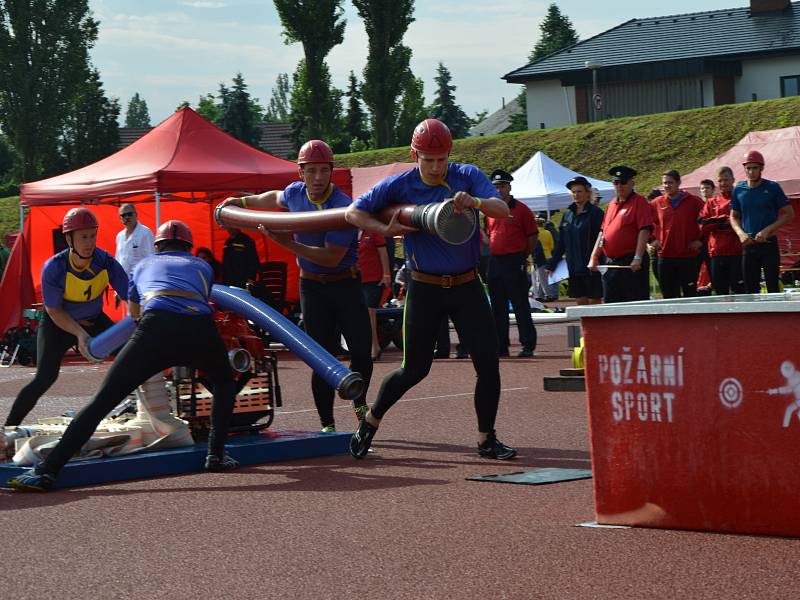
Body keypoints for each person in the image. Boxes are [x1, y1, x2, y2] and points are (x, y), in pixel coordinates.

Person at [8, 220, 239, 491]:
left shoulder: (143, 265)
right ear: (189, 247)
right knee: (224, 382)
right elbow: (202, 294)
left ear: (157, 247)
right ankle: (216, 454)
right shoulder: (203, 266)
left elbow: (134, 314)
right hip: (200, 328)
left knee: (102, 401)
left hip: (155, 327)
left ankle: (47, 471)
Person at [344, 118, 516, 461]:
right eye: (428, 159)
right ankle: (371, 421)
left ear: (450, 153)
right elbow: (353, 213)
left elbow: (504, 210)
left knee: (487, 361)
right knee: (415, 368)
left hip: (467, 285)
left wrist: (476, 203)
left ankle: (486, 439)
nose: (436, 167)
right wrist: (385, 228)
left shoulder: (467, 175)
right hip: (425, 288)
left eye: (441, 159)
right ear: (414, 154)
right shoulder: (400, 184)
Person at [220, 139, 372, 432]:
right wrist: (241, 202)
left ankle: (360, 406)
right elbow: (275, 197)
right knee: (321, 355)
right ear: (301, 173)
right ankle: (327, 424)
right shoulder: (295, 193)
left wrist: (285, 242)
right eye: (310, 171)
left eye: (323, 171)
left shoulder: (343, 207)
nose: (317, 178)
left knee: (362, 352)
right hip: (312, 288)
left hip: (345, 284)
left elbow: (330, 257)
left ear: (331, 172)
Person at [3, 208, 128, 427]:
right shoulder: (54, 267)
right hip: (57, 326)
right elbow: (54, 311)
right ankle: (9, 427)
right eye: (83, 237)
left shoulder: (106, 262)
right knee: (45, 378)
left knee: (132, 356)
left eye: (92, 236)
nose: (89, 242)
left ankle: (141, 412)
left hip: (95, 321)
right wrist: (80, 335)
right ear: (69, 238)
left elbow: (131, 295)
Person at [485, 168, 538, 358]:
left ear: (509, 187)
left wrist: (522, 254)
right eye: (496, 186)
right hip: (495, 261)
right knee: (497, 306)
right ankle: (501, 345)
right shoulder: (490, 210)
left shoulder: (521, 209)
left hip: (515, 260)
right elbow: (487, 233)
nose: (499, 190)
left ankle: (527, 344)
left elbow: (532, 236)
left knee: (520, 304)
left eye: (502, 186)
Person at [730, 150, 795, 293]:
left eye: (755, 168)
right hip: (749, 245)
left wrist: (767, 230)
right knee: (750, 289)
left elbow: (789, 214)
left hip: (768, 244)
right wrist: (740, 233)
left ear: (762, 168)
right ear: (744, 169)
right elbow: (734, 216)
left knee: (772, 287)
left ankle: (775, 315)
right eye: (748, 168)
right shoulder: (738, 189)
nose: (751, 171)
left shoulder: (772, 187)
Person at [588, 166, 654, 303]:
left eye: (623, 182)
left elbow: (644, 230)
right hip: (611, 262)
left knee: (634, 302)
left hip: (630, 261)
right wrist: (594, 256)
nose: (619, 186)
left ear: (632, 183)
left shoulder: (639, 202)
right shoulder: (611, 204)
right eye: (616, 183)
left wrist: (638, 257)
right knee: (611, 302)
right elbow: (603, 232)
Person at [545, 176, 604, 305]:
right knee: (580, 299)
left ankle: (597, 325)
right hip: (574, 266)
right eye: (574, 192)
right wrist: (552, 263)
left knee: (594, 299)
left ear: (588, 193)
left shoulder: (596, 213)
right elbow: (561, 242)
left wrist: (598, 259)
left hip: (591, 267)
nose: (576, 195)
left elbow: (602, 238)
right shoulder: (567, 215)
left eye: (579, 191)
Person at [648, 170, 705, 298]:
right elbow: (646, 223)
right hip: (665, 257)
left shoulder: (694, 202)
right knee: (669, 296)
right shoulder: (656, 203)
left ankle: (690, 318)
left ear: (679, 182)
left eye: (670, 182)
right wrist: (652, 240)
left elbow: (706, 222)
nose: (667, 186)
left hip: (688, 257)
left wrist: (700, 241)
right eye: (664, 183)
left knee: (690, 295)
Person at [698, 166, 745, 295]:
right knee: (720, 292)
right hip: (716, 252)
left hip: (737, 251)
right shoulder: (711, 202)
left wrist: (716, 223)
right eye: (720, 181)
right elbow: (702, 225)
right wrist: (724, 220)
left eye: (726, 180)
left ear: (733, 180)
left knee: (740, 290)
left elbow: (743, 223)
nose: (723, 183)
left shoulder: (741, 198)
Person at [358, 229, 392, 360]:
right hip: (355, 278)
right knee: (359, 314)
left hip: (373, 278)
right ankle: (370, 346)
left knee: (369, 312)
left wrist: (387, 274)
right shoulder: (348, 232)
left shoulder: (373, 232)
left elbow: (383, 253)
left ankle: (374, 347)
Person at [115, 203, 154, 277]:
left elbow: (151, 259)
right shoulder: (119, 236)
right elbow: (118, 259)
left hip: (140, 280)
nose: (127, 217)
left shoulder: (146, 233)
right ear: (120, 218)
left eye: (130, 214)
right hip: (122, 280)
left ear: (136, 215)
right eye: (123, 215)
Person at [531, 214, 558, 302]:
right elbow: (552, 246)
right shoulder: (547, 233)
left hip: (536, 258)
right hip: (548, 256)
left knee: (537, 278)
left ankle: (539, 294)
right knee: (546, 278)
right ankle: (549, 294)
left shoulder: (534, 234)